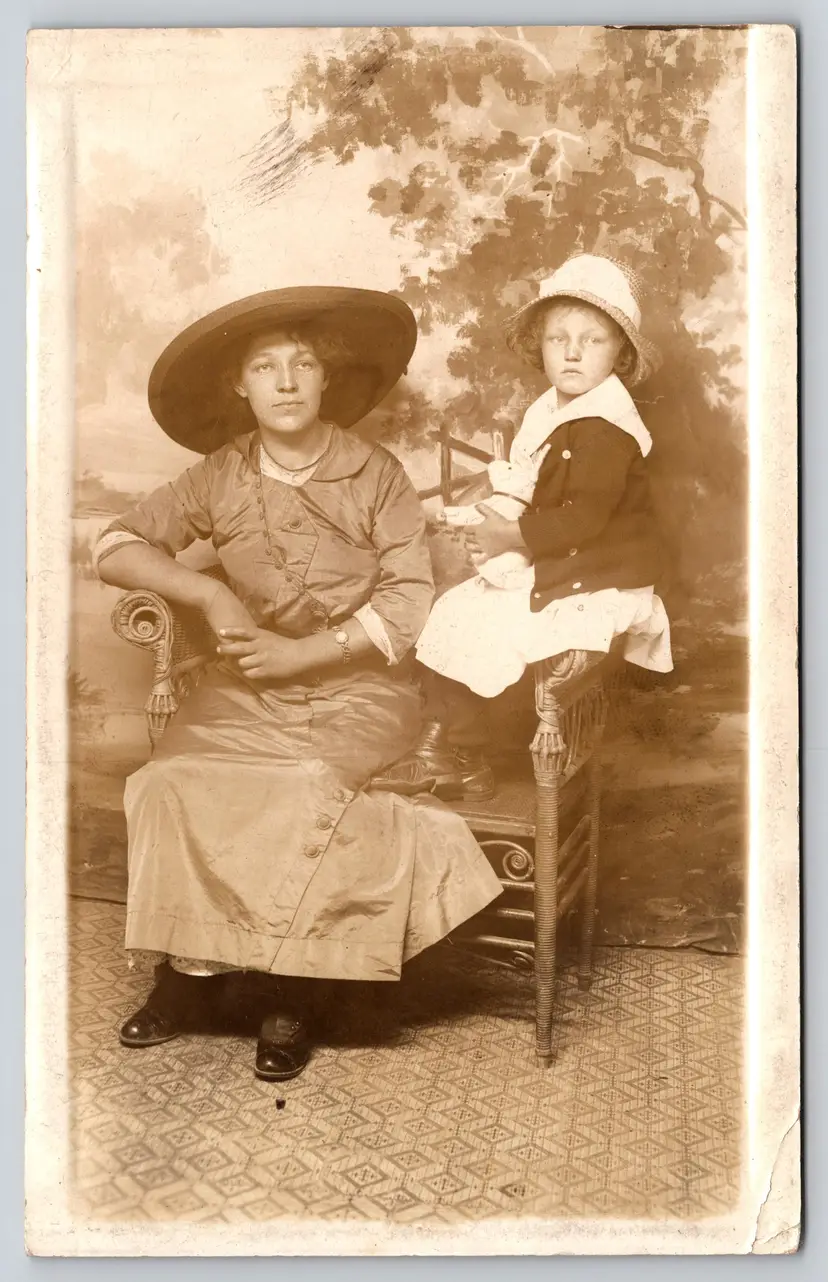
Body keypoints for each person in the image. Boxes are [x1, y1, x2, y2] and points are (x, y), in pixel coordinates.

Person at [94, 286, 503, 1082]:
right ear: (238, 387)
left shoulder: (375, 475)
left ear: (327, 381)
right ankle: (182, 980)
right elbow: (114, 544)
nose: (285, 382)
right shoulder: (218, 476)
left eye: (303, 364)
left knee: (306, 782)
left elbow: (408, 606)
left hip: (366, 686)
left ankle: (290, 992)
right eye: (265, 367)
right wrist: (208, 593)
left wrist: (305, 655)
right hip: (247, 685)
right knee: (172, 778)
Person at [379, 254, 674, 801]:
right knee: (456, 608)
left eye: (593, 339)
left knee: (490, 624)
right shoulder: (553, 410)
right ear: (539, 345)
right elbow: (535, 487)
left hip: (601, 570)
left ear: (621, 353)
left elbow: (585, 517)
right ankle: (447, 749)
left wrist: (508, 537)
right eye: (558, 338)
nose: (573, 351)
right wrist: (492, 517)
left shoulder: (606, 429)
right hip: (564, 554)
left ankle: (461, 754)